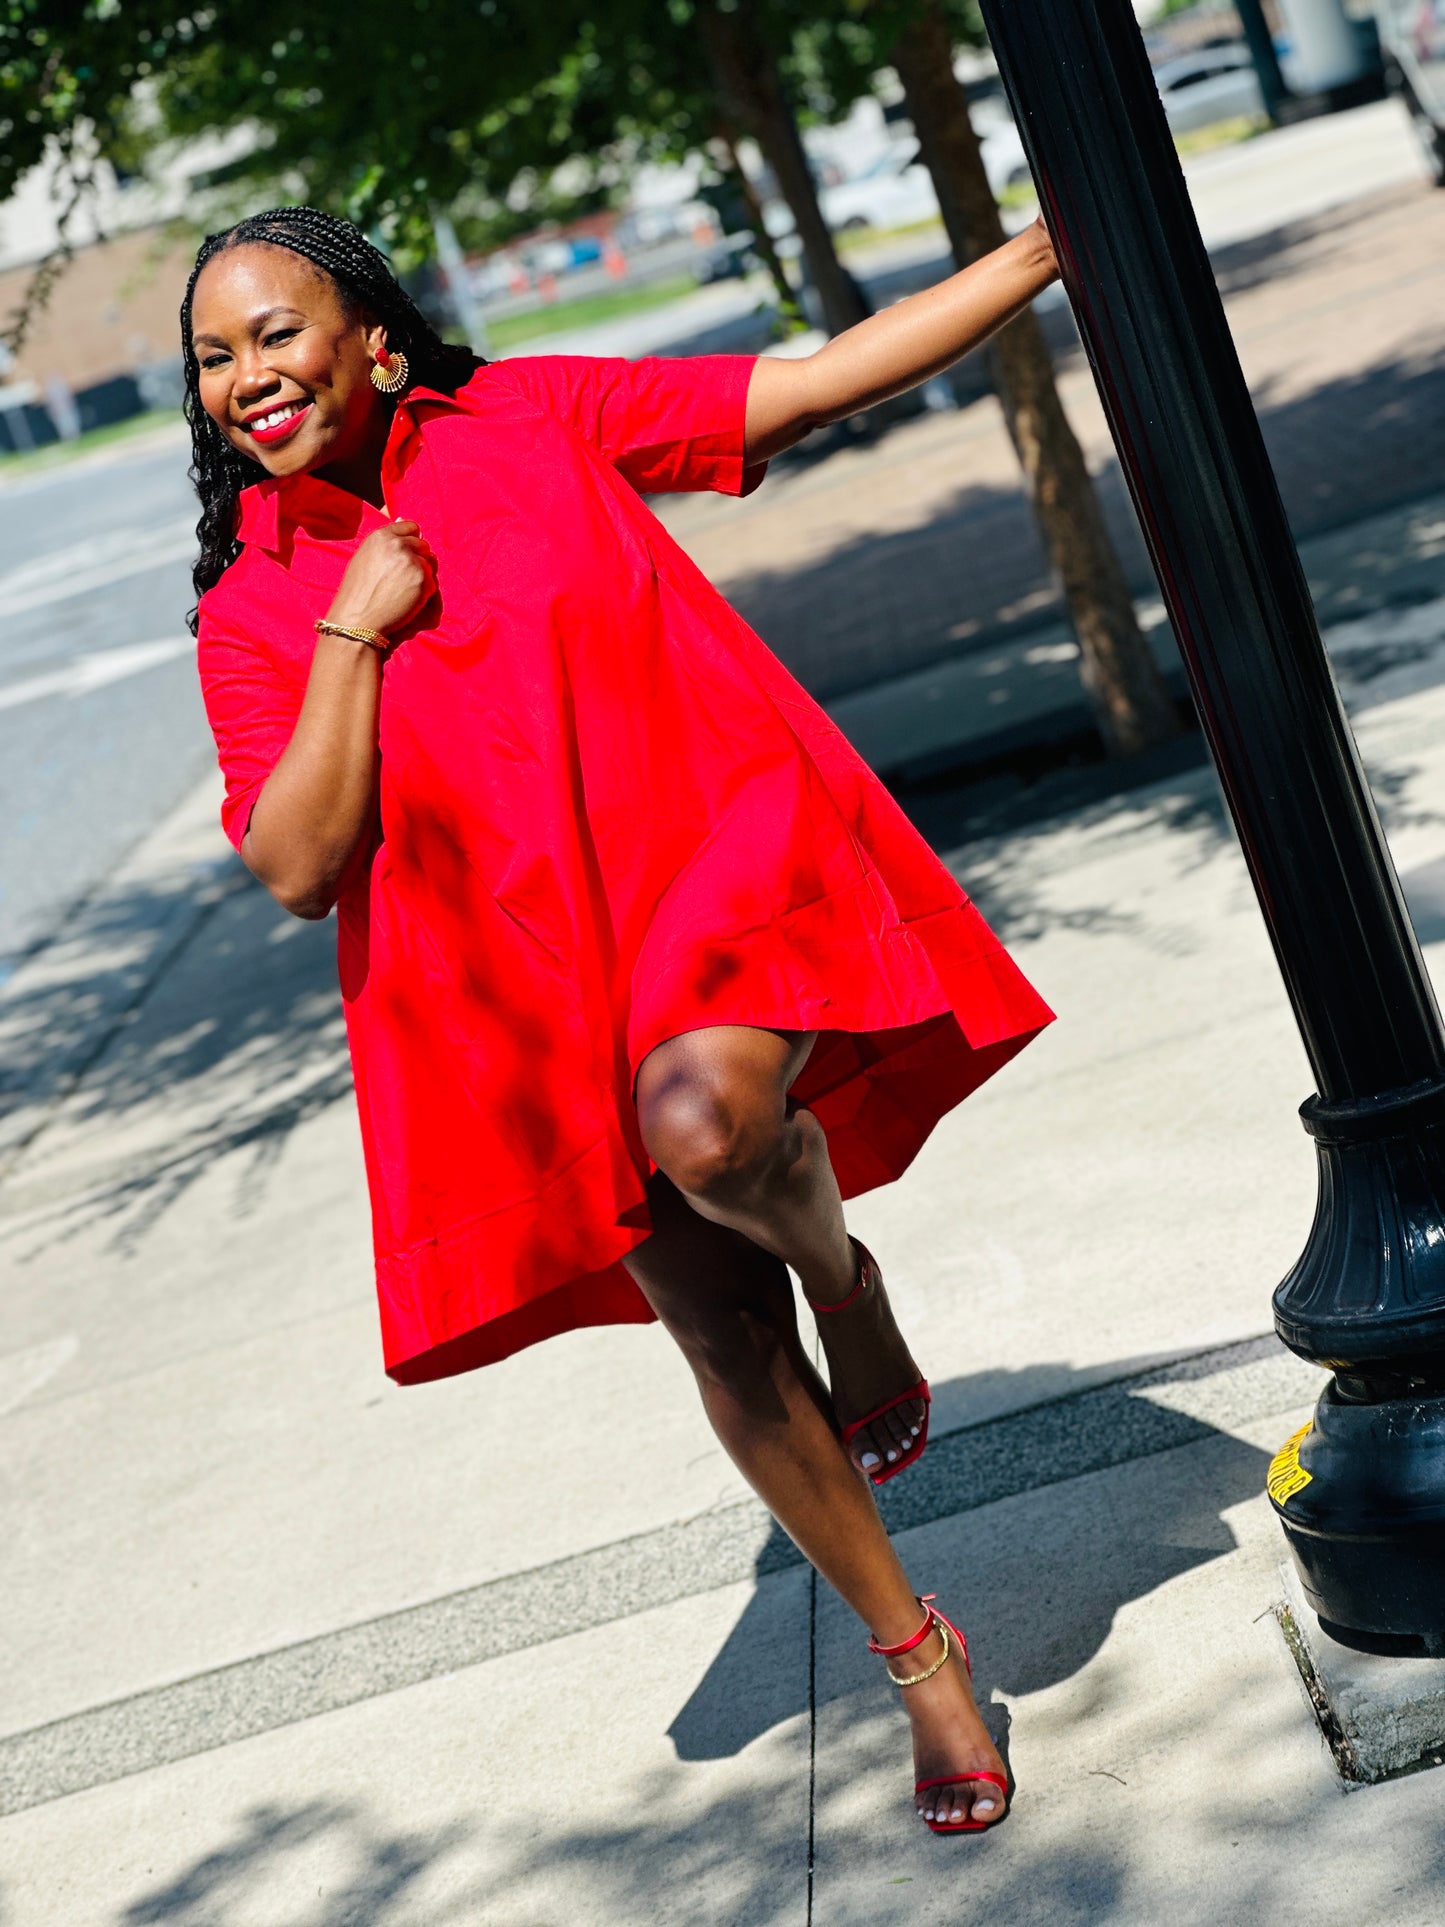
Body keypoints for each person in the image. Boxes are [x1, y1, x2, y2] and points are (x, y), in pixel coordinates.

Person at [186, 204, 1057, 1834]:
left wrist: (1035, 255)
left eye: (278, 333)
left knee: (708, 1126)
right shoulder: (250, 607)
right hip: (515, 997)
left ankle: (842, 1275)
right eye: (216, 356)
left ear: (374, 340)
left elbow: (798, 390)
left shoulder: (528, 417)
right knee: (718, 1332)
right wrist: (352, 632)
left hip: (700, 878)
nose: (249, 375)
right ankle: (917, 1653)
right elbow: (298, 861)